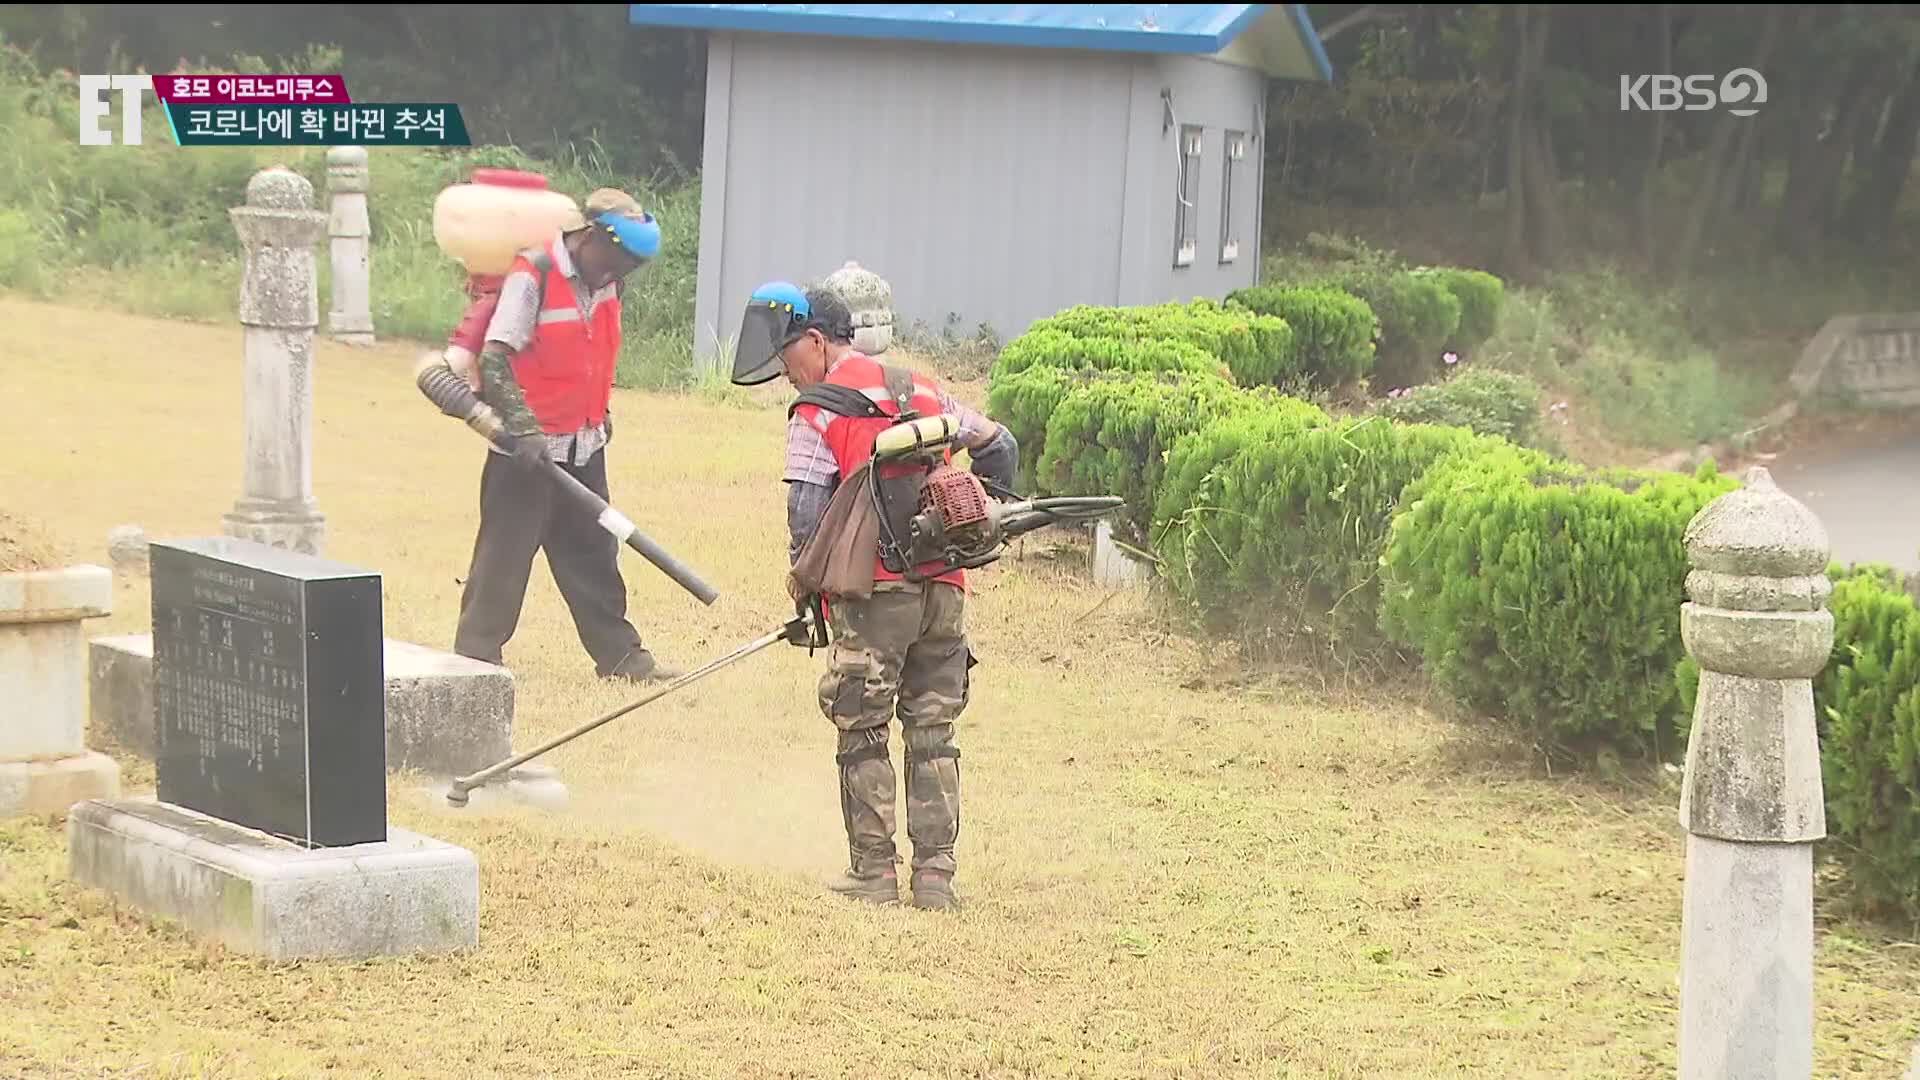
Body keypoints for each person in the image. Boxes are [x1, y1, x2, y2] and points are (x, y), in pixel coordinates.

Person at [732, 281, 1019, 911]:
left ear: (816, 341)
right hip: (946, 590)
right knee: (934, 728)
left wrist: (809, 594)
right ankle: (937, 878)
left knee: (861, 723)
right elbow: (999, 444)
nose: (785, 374)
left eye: (788, 357)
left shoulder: (817, 412)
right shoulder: (918, 386)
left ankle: (875, 873)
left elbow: (806, 515)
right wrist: (982, 514)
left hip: (875, 594)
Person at [452, 189, 680, 684]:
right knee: (503, 559)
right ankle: (475, 659)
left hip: (583, 447)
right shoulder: (534, 274)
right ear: (592, 238)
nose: (623, 273)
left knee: (595, 556)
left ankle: (622, 658)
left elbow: (590, 356)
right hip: (524, 454)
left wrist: (601, 416)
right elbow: (494, 357)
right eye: (620, 260)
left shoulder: (607, 281)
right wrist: (524, 428)